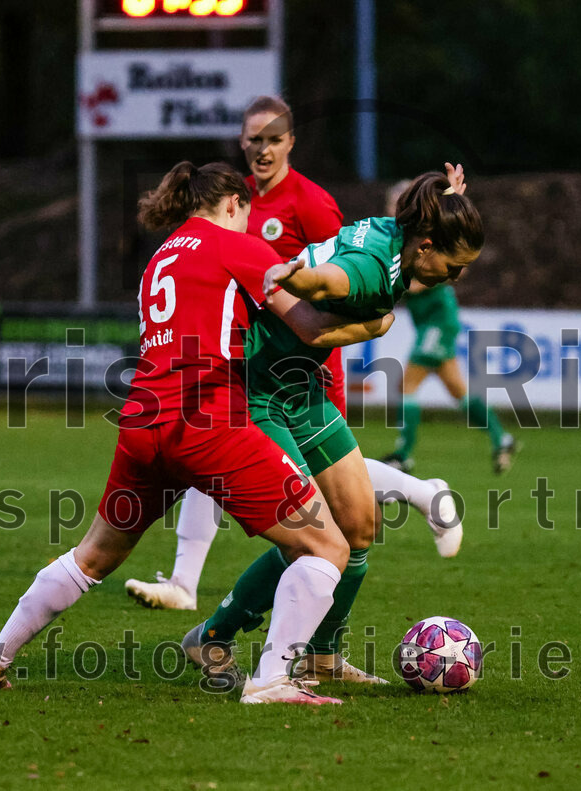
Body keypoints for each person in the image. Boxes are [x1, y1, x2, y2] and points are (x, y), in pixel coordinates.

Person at [0, 161, 393, 705]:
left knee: (92, 555)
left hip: (144, 422)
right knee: (328, 545)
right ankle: (272, 680)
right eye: (246, 212)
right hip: (208, 423)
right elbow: (309, 326)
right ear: (234, 204)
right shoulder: (235, 245)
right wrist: (375, 324)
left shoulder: (160, 257)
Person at [124, 100, 464, 616]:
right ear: (241, 142)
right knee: (273, 489)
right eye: (254, 139)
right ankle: (191, 589)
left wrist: (318, 295)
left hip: (305, 366)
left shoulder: (310, 203)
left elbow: (350, 271)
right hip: (249, 361)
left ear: (290, 144)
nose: (263, 149)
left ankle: (417, 493)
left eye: (273, 139)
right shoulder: (230, 200)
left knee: (316, 507)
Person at [183, 169, 484, 688]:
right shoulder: (371, 269)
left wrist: (451, 198)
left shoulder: (397, 234)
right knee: (312, 539)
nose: (453, 278)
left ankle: (323, 656)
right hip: (259, 393)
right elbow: (332, 280)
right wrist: (291, 276)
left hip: (302, 389)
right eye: (453, 267)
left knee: (359, 527)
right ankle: (213, 638)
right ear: (427, 246)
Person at [379, 180, 517, 475]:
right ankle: (501, 438)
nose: (392, 208)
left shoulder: (424, 231)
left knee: (407, 385)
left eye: (397, 202)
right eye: (391, 203)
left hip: (438, 320)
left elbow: (459, 264)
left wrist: (408, 284)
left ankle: (403, 455)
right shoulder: (397, 235)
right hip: (432, 322)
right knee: (458, 392)